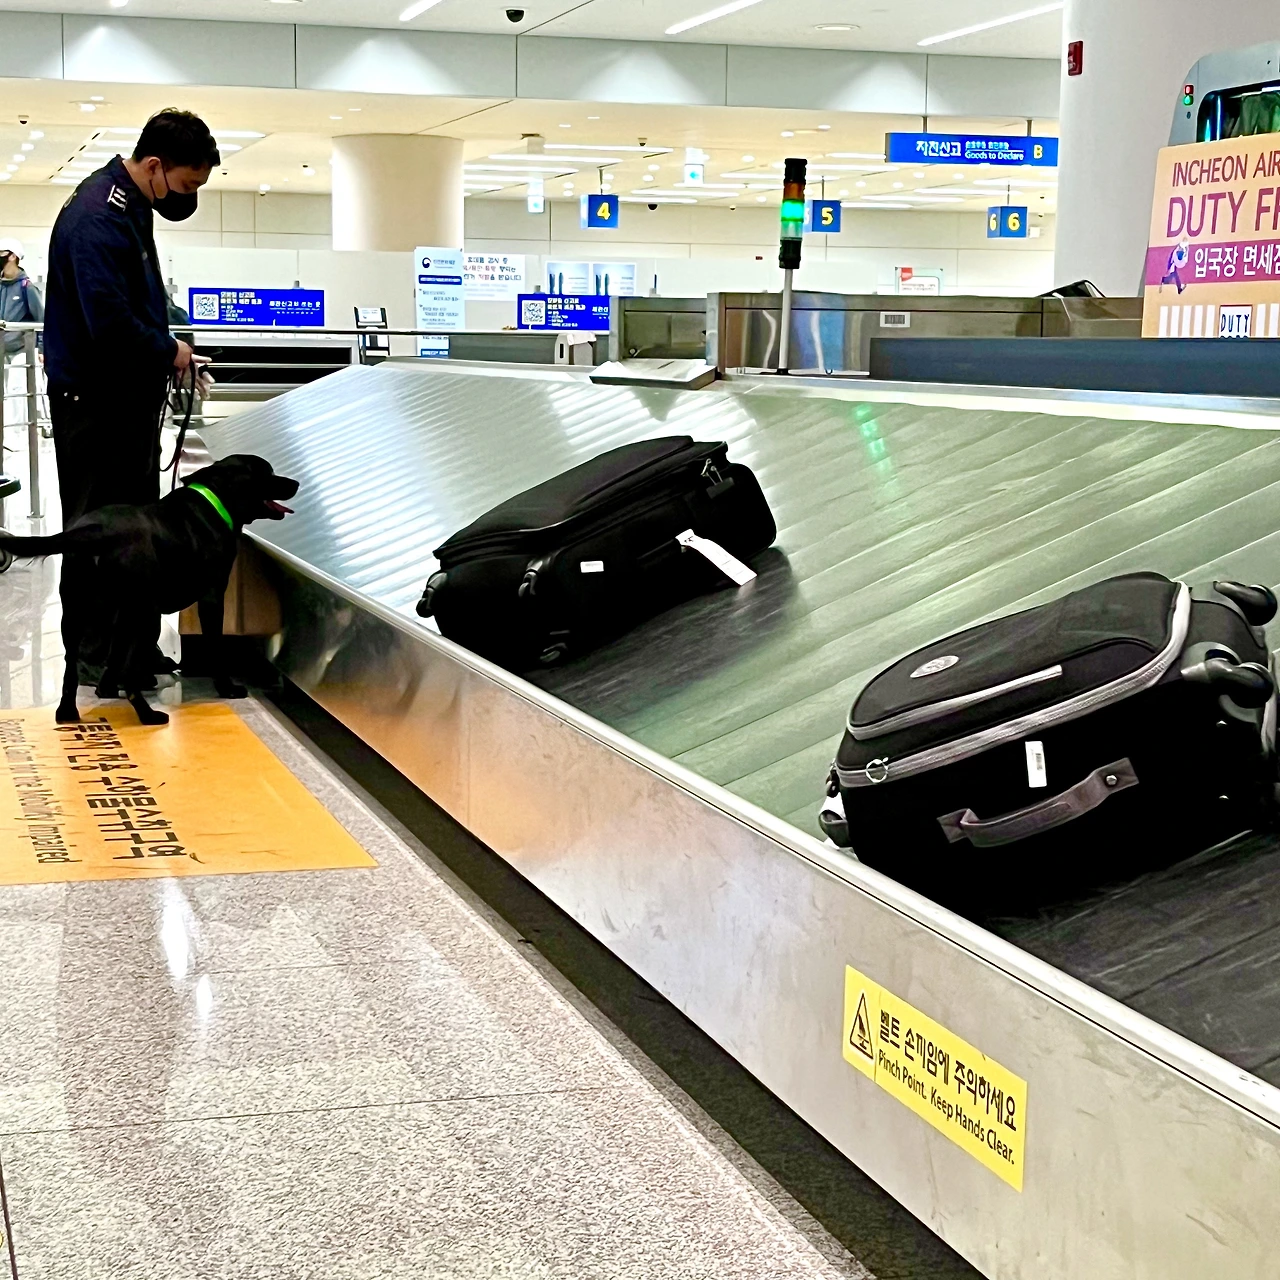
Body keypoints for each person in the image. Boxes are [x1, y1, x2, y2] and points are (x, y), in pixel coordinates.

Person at [44, 108, 219, 682]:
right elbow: (110, 322)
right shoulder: (98, 217)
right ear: (155, 165)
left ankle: (133, 649)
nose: (188, 197)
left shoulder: (132, 205)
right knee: (99, 531)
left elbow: (140, 299)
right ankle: (95, 656)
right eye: (187, 183)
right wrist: (169, 352)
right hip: (94, 406)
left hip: (126, 402)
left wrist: (172, 346)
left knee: (138, 533)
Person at [0, 239, 43, 357]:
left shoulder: (27, 287)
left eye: (1, 253)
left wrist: (41, 349)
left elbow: (41, 320)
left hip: (20, 354)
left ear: (13, 256)